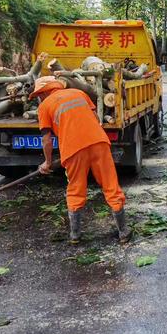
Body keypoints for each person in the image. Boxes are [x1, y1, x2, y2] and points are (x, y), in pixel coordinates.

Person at [30, 76, 130, 245]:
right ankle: (123, 232)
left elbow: (46, 139)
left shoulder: (44, 106)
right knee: (111, 185)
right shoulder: (78, 93)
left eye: (39, 95)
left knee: (76, 189)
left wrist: (47, 162)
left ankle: (75, 235)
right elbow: (96, 119)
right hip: (99, 142)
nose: (39, 98)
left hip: (73, 150)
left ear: (45, 92)